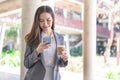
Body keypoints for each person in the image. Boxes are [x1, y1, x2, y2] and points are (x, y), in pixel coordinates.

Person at [24, 5, 68, 80]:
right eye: (41, 21)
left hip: (54, 77)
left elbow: (60, 63)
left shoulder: (60, 38)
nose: (45, 24)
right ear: (37, 22)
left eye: (48, 20)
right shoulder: (32, 38)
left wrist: (64, 59)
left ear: (53, 19)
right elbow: (26, 63)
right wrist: (37, 51)